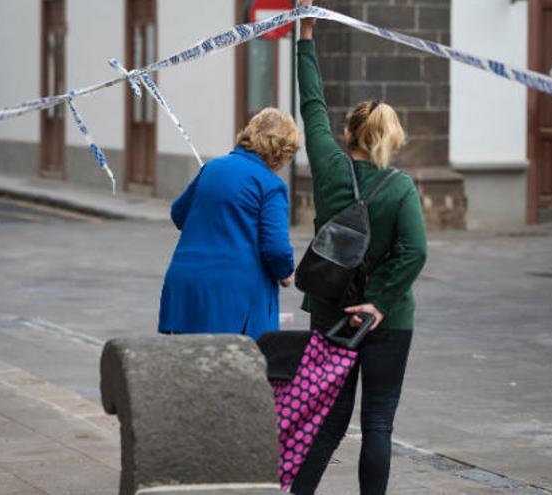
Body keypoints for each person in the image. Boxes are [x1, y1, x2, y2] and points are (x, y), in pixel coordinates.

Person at [290, 2, 428, 494]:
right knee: (379, 423)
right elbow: (414, 252)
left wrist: (305, 33)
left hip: (330, 309)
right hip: (387, 320)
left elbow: (311, 101)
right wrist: (381, 301)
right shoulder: (400, 187)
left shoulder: (328, 166)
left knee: (326, 421)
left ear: (348, 134)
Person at [158, 108, 298, 340]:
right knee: (233, 371)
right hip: (233, 294)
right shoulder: (271, 185)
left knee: (189, 367)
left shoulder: (212, 168)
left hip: (188, 286)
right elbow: (276, 247)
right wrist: (285, 272)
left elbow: (178, 213)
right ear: (282, 151)